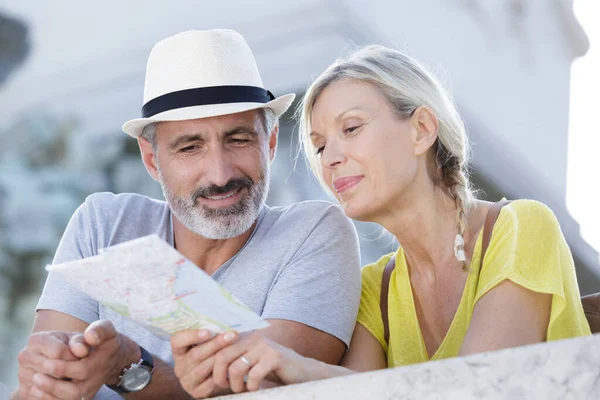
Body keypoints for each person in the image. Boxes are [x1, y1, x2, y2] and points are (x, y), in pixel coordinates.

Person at [171, 44, 592, 394]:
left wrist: (302, 367)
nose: (332, 158)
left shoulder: (519, 228)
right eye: (319, 146)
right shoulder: (375, 289)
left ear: (422, 129)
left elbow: (480, 389)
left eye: (351, 128)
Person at [13, 30, 361, 400]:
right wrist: (56, 368)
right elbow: (37, 390)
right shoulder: (103, 223)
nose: (220, 174)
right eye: (190, 147)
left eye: (238, 139)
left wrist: (129, 365)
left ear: (270, 142)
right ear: (151, 159)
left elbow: (269, 395)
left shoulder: (312, 234)